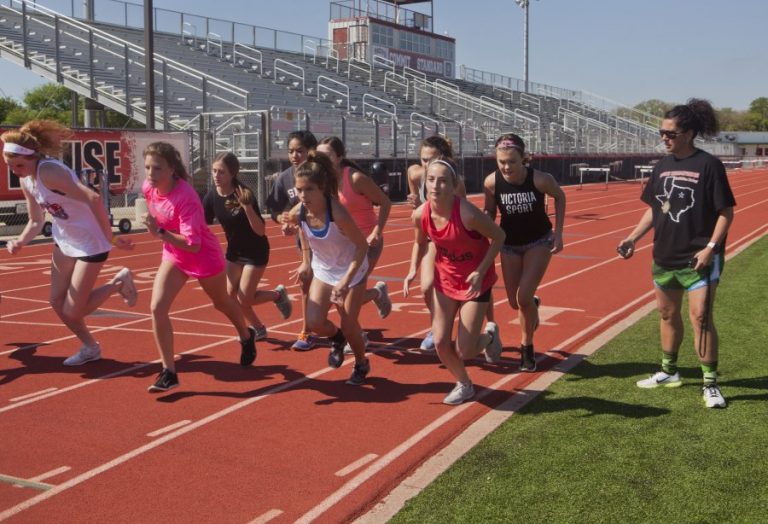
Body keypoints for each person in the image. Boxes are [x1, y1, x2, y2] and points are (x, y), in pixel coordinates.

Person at [618, 98, 735, 409]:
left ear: (689, 133)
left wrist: (710, 248)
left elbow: (726, 212)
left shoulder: (709, 165)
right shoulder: (662, 166)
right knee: (667, 314)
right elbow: (656, 210)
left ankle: (710, 383)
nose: (664, 138)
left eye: (670, 133)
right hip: (664, 256)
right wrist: (632, 238)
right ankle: (669, 371)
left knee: (701, 318)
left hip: (699, 258)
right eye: (662, 132)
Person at [1, 120, 137, 366]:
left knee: (74, 310)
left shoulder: (49, 172)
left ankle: (118, 283)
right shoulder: (27, 180)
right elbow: (35, 219)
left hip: (91, 242)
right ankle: (90, 347)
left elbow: (93, 198)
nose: (15, 170)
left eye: (19, 165)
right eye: (10, 166)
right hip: (65, 240)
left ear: (33, 157)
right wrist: (19, 241)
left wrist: (111, 237)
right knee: (56, 302)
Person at [141, 142, 257, 392]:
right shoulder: (148, 189)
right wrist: (157, 227)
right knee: (157, 307)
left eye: (157, 168)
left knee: (222, 303)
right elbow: (160, 217)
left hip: (202, 255)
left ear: (172, 169)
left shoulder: (186, 197)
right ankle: (168, 372)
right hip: (174, 254)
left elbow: (193, 245)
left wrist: (160, 232)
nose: (151, 173)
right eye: (148, 167)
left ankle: (246, 336)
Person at [404, 158, 505, 405]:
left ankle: (489, 336)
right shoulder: (420, 215)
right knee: (439, 341)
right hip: (446, 279)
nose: (436, 186)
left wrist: (481, 270)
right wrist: (411, 270)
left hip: (474, 282)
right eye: (430, 180)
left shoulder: (467, 214)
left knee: (465, 350)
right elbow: (419, 242)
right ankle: (465, 384)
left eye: (442, 181)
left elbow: (499, 236)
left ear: (454, 185)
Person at [286, 152, 371, 385]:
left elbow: (362, 247)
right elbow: (300, 229)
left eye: (309, 190)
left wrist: (345, 281)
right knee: (314, 322)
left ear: (322, 188)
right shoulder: (300, 210)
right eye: (299, 190)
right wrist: (304, 258)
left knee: (349, 322)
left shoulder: (338, 214)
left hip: (351, 269)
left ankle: (361, 362)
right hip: (324, 269)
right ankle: (337, 338)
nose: (303, 195)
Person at [483, 133, 566, 371]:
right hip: (509, 244)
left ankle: (526, 347)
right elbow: (489, 212)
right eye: (502, 162)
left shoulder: (540, 179)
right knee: (514, 302)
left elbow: (560, 197)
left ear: (523, 159)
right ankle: (532, 304)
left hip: (538, 241)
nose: (506, 167)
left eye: (511, 162)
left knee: (522, 297)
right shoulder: (491, 182)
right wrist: (482, 224)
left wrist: (558, 232)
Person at [202, 152, 292, 341]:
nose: (217, 176)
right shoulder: (211, 196)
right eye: (214, 171)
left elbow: (261, 230)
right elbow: (203, 224)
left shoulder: (244, 193)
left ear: (232, 174)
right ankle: (258, 328)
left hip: (255, 250)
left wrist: (248, 208)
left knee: (245, 298)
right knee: (228, 296)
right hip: (234, 251)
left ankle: (277, 295)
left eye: (222, 172)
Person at [316, 136, 392, 347]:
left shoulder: (355, 179)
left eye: (327, 155)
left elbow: (385, 203)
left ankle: (357, 336)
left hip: (367, 244)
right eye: (319, 156)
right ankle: (377, 293)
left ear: (339, 157)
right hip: (342, 247)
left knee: (346, 293)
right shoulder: (322, 182)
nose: (322, 159)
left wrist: (377, 230)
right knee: (344, 295)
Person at [406, 136, 468, 351]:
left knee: (463, 290)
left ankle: (485, 325)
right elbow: (412, 177)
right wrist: (414, 198)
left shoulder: (454, 184)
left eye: (431, 159)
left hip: (454, 238)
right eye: (423, 159)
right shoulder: (417, 173)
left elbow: (464, 215)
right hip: (432, 238)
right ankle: (437, 326)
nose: (426, 164)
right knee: (426, 287)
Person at [266, 130, 318, 351]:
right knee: (306, 283)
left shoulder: (322, 175)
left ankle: (352, 324)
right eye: (291, 151)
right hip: (305, 242)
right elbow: (274, 208)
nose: (295, 155)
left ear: (311, 152)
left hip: (332, 240)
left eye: (300, 151)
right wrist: (284, 221)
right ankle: (307, 330)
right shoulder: (285, 177)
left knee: (339, 289)